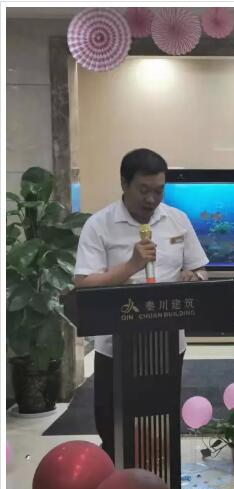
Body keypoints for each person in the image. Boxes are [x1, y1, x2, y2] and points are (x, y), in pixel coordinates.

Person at [74, 148, 209, 461]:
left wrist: (194, 277)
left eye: (159, 190)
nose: (151, 199)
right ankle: (117, 476)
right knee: (113, 423)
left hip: (167, 342)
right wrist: (131, 265)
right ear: (124, 183)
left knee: (160, 420)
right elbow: (84, 283)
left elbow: (200, 269)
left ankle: (156, 477)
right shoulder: (99, 224)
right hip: (116, 345)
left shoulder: (177, 220)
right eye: (143, 190)